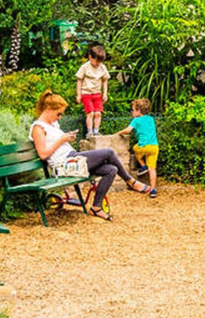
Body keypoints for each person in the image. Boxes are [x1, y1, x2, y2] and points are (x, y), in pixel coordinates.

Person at [30, 90, 148, 221]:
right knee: (108, 153)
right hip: (63, 165)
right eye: (59, 114)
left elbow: (59, 144)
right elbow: (42, 154)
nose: (60, 117)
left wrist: (67, 138)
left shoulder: (53, 124)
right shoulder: (38, 128)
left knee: (111, 170)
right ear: (48, 109)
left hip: (72, 158)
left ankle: (96, 207)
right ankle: (130, 181)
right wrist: (62, 140)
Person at [116, 98, 160, 198]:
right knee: (152, 169)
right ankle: (153, 190)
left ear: (139, 111)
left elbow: (128, 130)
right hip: (154, 147)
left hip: (143, 147)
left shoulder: (136, 120)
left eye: (133, 110)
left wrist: (117, 133)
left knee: (135, 148)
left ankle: (143, 165)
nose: (131, 112)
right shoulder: (151, 119)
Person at [76, 44, 110, 138]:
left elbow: (105, 80)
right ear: (90, 57)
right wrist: (78, 95)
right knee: (90, 113)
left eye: (100, 61)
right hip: (86, 93)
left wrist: (105, 93)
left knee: (98, 113)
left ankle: (96, 131)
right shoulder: (85, 67)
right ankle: (89, 132)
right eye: (96, 61)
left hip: (97, 94)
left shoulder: (102, 67)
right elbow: (79, 80)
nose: (98, 64)